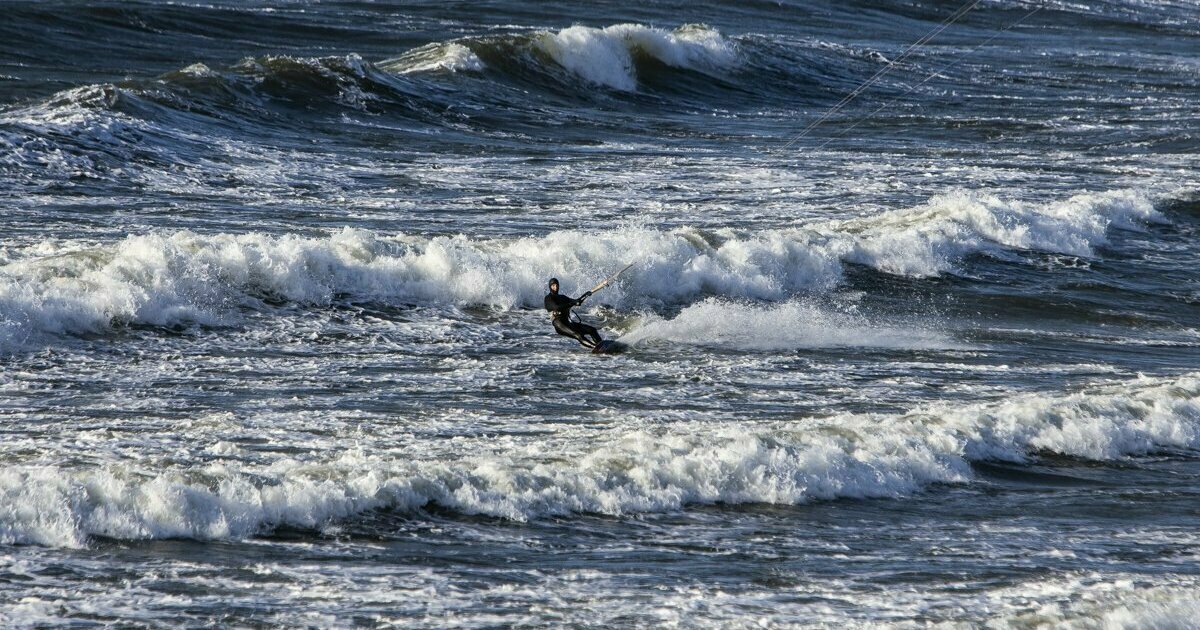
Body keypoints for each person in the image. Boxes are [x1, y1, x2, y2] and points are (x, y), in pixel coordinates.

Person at [544, 277, 603, 348]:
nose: (555, 287)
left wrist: (585, 295)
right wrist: (572, 303)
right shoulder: (548, 298)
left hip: (568, 323)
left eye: (557, 285)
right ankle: (596, 348)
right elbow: (557, 307)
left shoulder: (562, 297)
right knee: (578, 335)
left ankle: (602, 345)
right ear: (550, 287)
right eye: (553, 286)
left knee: (592, 330)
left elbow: (576, 301)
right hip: (559, 324)